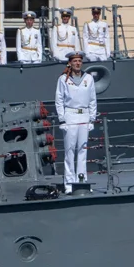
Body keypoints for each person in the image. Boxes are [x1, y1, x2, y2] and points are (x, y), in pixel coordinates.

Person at [55, 51, 97, 194]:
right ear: (70, 63)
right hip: (70, 116)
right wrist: (62, 119)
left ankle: (81, 181)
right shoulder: (63, 79)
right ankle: (69, 183)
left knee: (83, 151)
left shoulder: (89, 78)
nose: (78, 63)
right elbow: (59, 100)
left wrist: (92, 119)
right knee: (69, 151)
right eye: (75, 61)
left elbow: (92, 99)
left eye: (79, 61)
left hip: (84, 116)